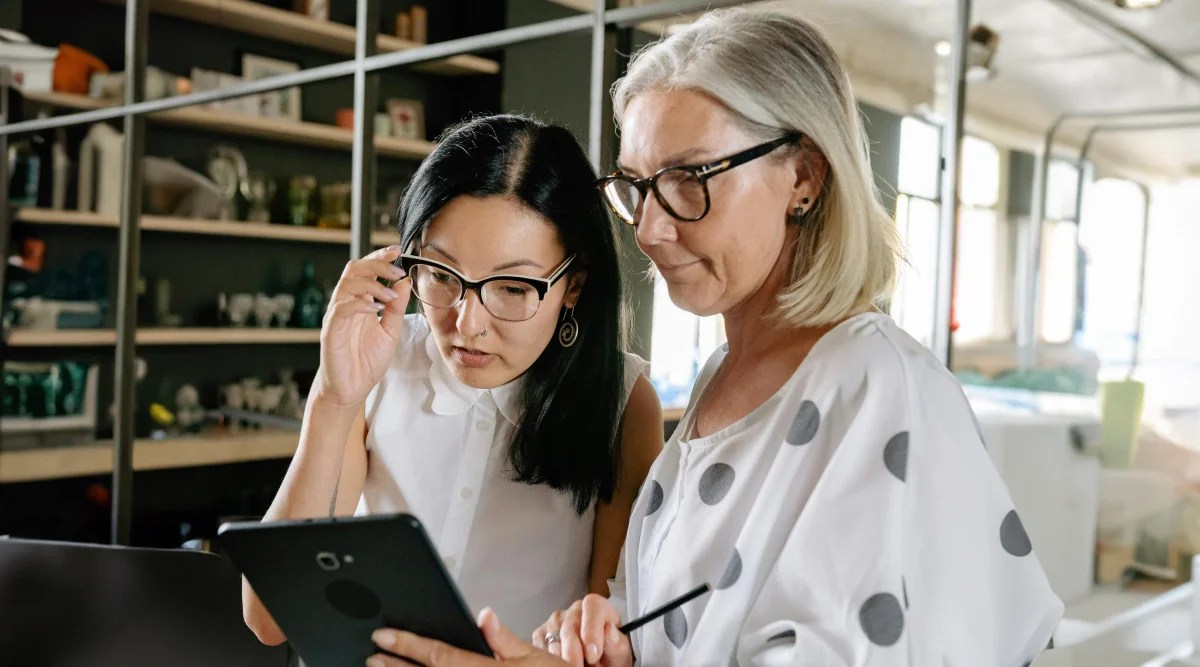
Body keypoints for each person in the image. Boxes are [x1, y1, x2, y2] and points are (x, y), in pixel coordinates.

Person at [364, 9, 1063, 667]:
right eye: (637, 187)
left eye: (690, 179)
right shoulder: (722, 380)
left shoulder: (877, 384)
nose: (649, 229)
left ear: (805, 176)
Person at [241, 114, 663, 645]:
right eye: (441, 276)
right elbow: (269, 618)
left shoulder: (622, 403)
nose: (468, 325)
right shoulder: (383, 360)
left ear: (573, 285)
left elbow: (608, 642)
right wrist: (334, 395)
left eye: (512, 287)